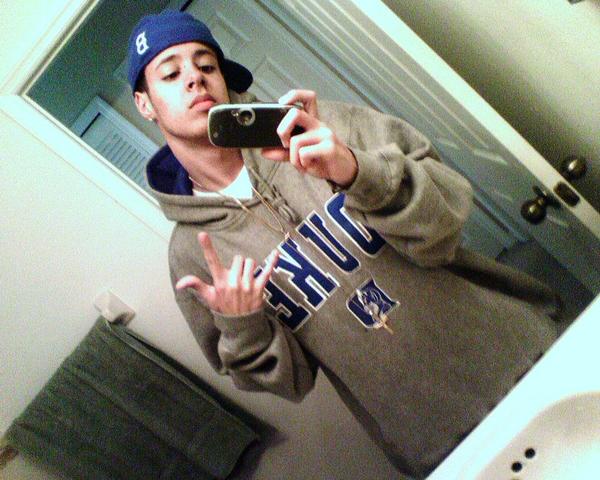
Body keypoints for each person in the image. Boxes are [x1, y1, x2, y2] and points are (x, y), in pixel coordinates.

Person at [127, 10, 560, 478]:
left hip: (527, 354)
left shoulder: (319, 128)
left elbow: (445, 222)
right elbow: (292, 383)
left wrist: (355, 170)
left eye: (206, 65)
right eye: (170, 73)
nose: (194, 78)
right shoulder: (192, 253)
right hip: (438, 441)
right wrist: (242, 324)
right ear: (145, 104)